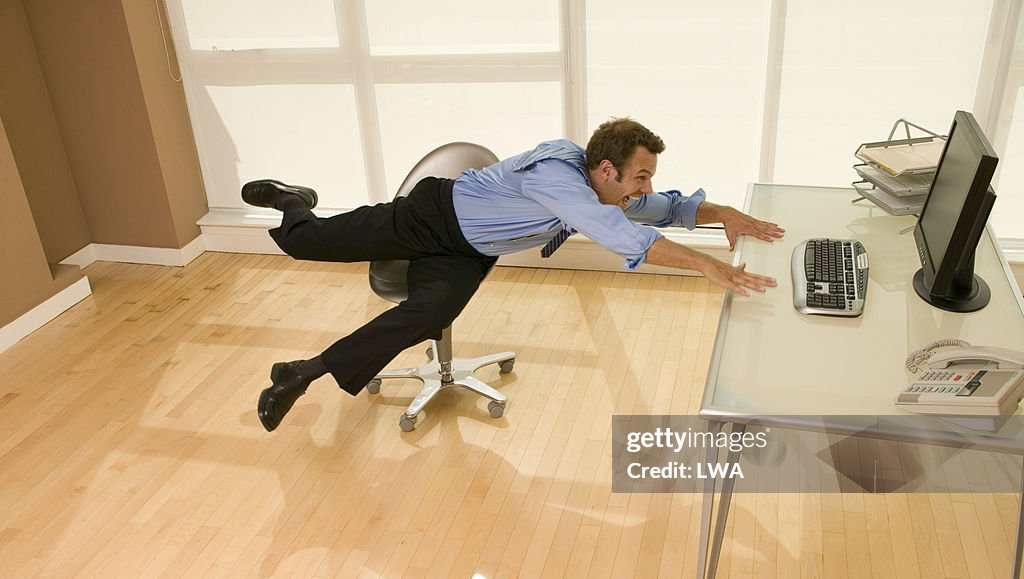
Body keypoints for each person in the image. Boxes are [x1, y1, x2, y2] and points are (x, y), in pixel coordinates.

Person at [242, 117, 784, 432]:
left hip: (466, 254)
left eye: (646, 177)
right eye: (638, 176)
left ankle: (302, 373)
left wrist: (725, 215)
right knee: (304, 244)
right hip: (428, 216)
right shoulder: (557, 177)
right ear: (604, 170)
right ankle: (294, 202)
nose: (642, 187)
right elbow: (624, 234)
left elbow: (661, 209)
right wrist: (707, 265)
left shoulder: (603, 189)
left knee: (429, 313)